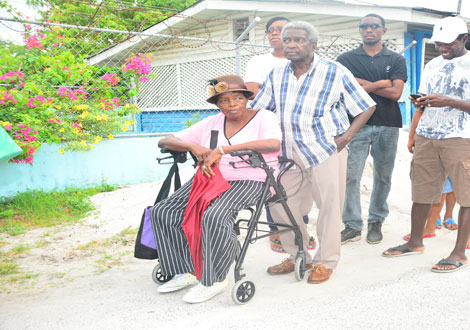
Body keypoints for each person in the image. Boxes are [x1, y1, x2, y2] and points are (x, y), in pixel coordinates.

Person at [251, 21, 376, 283]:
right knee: (281, 204)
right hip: (286, 153)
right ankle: (298, 255)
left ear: (313, 44)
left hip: (325, 150)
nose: (291, 45)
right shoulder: (276, 74)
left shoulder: (335, 71)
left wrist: (346, 137)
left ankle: (326, 261)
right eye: (287, 41)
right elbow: (259, 110)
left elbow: (366, 106)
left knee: (329, 207)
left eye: (298, 40)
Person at [381, 16, 470, 273]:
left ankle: (459, 253)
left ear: (464, 40)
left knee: (467, 195)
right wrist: (421, 104)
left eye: (448, 44)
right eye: (439, 44)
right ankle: (415, 242)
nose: (443, 49)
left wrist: (451, 101)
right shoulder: (433, 63)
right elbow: (425, 98)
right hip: (428, 135)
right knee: (422, 192)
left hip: (462, 138)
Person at [150, 75, 282, 303]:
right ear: (217, 104)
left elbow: (273, 144)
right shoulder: (211, 123)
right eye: (224, 101)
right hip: (212, 177)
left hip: (255, 179)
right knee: (163, 212)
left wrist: (223, 149)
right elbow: (165, 140)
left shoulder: (264, 117)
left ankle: (216, 278)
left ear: (246, 99)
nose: (231, 104)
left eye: (237, 98)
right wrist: (192, 145)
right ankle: (188, 270)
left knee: (215, 215)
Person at [243, 16, 315, 253]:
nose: (276, 34)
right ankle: (276, 231)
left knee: (299, 186)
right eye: (271, 31)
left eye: (281, 30)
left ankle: (300, 230)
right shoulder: (260, 61)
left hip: (302, 134)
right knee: (273, 180)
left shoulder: (309, 64)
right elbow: (253, 93)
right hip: (271, 129)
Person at [336, 13, 407, 245]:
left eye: (374, 26)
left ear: (383, 30)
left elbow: (397, 94)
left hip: (388, 123)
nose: (369, 30)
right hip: (356, 124)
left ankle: (376, 220)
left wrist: (364, 85)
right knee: (350, 177)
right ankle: (352, 225)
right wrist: (382, 83)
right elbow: (346, 89)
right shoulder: (346, 59)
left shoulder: (395, 58)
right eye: (364, 27)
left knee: (382, 176)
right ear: (360, 30)